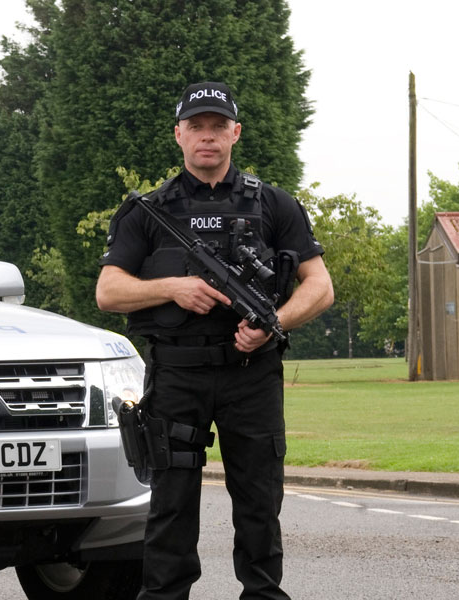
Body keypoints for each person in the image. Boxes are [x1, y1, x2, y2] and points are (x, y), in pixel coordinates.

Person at [96, 81, 334, 600]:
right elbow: (108, 292)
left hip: (252, 377)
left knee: (258, 501)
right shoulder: (148, 211)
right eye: (197, 127)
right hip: (178, 375)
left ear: (235, 134)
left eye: (218, 127)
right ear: (179, 134)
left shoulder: (273, 205)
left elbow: (320, 286)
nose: (208, 137)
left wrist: (275, 323)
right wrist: (173, 287)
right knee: (172, 503)